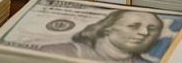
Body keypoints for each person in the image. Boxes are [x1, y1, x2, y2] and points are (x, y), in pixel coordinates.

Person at [34, 9, 165, 61]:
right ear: (107, 28)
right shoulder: (57, 53)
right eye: (133, 26)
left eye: (152, 28)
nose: (145, 33)